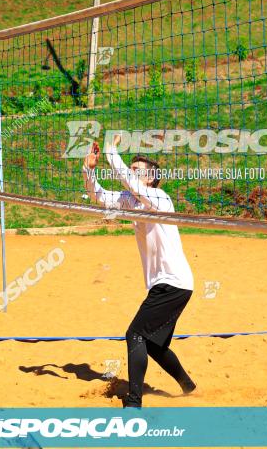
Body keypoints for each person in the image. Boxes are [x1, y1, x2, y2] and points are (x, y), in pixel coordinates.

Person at [82, 135, 196, 407]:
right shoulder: (132, 200)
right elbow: (100, 196)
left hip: (174, 283)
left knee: (134, 334)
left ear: (152, 177)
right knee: (154, 345)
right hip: (166, 285)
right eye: (130, 170)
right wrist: (89, 169)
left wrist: (112, 152)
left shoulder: (159, 198)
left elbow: (130, 183)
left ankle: (134, 403)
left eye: (137, 171)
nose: (131, 175)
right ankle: (188, 386)